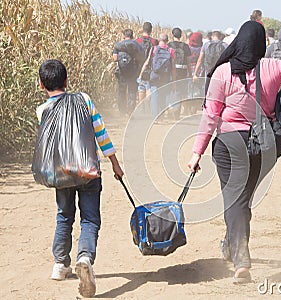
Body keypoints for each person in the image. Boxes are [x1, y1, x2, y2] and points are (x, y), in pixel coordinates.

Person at [187, 21, 281, 284]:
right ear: (261, 43)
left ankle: (241, 260)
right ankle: (232, 245)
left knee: (234, 200)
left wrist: (196, 152)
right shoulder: (276, 67)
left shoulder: (223, 72)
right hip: (263, 143)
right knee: (243, 199)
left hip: (228, 143)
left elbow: (211, 116)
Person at [36, 59, 124, 298]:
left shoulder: (42, 110)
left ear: (42, 85)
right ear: (67, 80)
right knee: (90, 219)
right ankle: (84, 257)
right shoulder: (84, 100)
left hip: (60, 173)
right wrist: (115, 164)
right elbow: (101, 134)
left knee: (64, 216)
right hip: (87, 171)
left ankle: (60, 264)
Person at [139, 33, 176, 120]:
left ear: (159, 40)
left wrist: (141, 74)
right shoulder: (171, 50)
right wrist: (174, 81)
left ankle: (155, 117)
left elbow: (147, 62)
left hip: (154, 76)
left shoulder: (154, 49)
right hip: (165, 77)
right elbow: (173, 68)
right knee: (163, 95)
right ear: (167, 40)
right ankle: (161, 116)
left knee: (154, 95)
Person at [112, 29, 145, 115]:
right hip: (133, 72)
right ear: (132, 35)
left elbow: (115, 58)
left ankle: (122, 110)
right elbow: (141, 57)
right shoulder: (136, 45)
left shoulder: (118, 45)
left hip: (122, 71)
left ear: (124, 36)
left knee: (121, 91)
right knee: (132, 90)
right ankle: (130, 111)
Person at [167, 27, 192, 118]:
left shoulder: (169, 45)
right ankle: (178, 112)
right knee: (182, 91)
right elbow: (188, 61)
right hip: (183, 70)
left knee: (171, 90)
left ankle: (170, 111)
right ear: (181, 35)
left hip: (172, 70)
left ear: (172, 35)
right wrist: (190, 73)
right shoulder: (185, 46)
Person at [136, 22, 159, 104]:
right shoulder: (155, 41)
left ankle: (141, 106)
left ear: (143, 29)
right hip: (150, 68)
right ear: (151, 30)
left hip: (139, 68)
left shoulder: (137, 41)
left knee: (141, 87)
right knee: (149, 87)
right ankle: (148, 106)